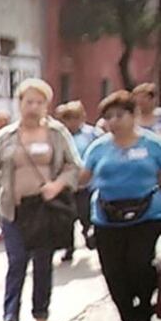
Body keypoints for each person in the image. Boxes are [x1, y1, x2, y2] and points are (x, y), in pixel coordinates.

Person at [0, 78, 82, 321]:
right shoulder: (7, 135)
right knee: (17, 262)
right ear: (19, 103)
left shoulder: (56, 133)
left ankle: (41, 312)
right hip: (13, 209)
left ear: (46, 105)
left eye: (39, 102)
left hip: (44, 209)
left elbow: (73, 166)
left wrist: (57, 185)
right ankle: (9, 319)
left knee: (43, 262)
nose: (33, 107)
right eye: (28, 101)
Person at [80, 90, 161, 321]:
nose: (113, 121)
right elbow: (83, 178)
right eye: (108, 117)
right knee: (114, 271)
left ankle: (144, 308)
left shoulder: (152, 145)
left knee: (139, 264)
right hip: (107, 216)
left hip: (147, 215)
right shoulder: (98, 148)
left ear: (133, 115)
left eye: (119, 115)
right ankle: (127, 317)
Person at [55, 100, 101, 258]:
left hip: (87, 184)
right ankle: (69, 247)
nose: (71, 122)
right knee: (66, 218)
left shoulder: (92, 134)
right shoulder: (59, 135)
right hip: (66, 184)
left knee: (85, 214)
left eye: (75, 118)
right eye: (67, 118)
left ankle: (89, 235)